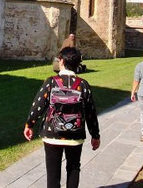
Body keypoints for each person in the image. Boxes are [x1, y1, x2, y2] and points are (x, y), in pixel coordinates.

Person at [24, 47, 100, 188]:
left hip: (52, 133)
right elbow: (91, 112)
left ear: (62, 61)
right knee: (73, 169)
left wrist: (29, 124)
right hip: (75, 135)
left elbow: (38, 105)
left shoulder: (51, 82)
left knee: (53, 173)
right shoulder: (83, 85)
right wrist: (95, 134)